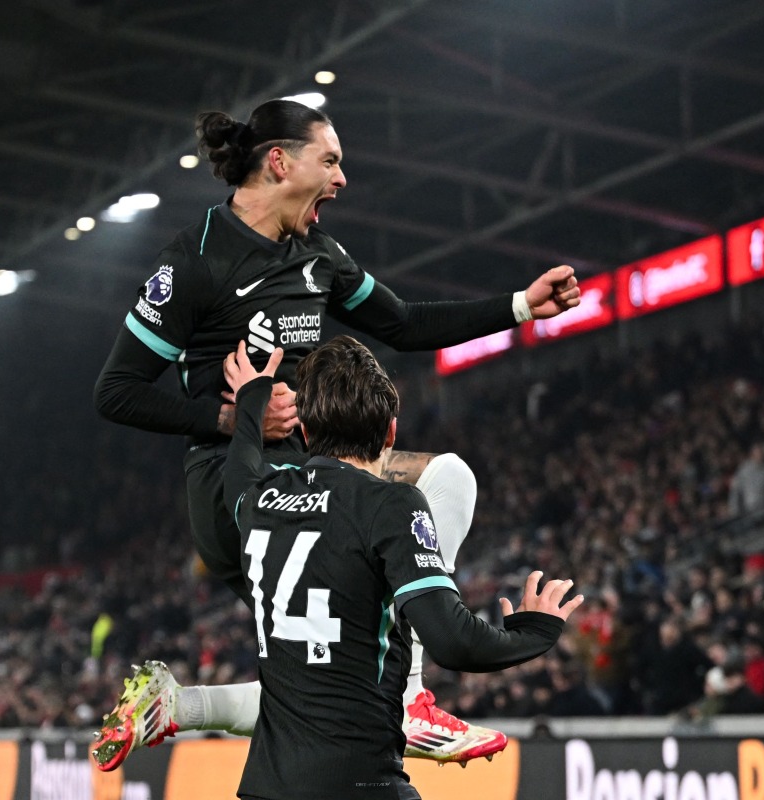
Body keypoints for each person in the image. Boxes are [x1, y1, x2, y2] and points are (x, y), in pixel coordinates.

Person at [90, 97, 581, 771]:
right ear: (279, 162)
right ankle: (405, 696)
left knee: (346, 667)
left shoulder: (318, 253)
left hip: (313, 471)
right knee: (358, 671)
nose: (342, 179)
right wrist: (231, 419)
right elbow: (116, 391)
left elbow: (404, 324)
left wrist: (523, 306)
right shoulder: (194, 264)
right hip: (240, 486)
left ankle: (181, 706)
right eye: (331, 161)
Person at [217, 336, 580, 799]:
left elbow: (240, 467)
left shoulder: (261, 499)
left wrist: (252, 400)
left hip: (264, 788)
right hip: (359, 785)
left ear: (305, 433)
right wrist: (536, 632)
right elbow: (453, 642)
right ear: (390, 433)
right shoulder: (389, 504)